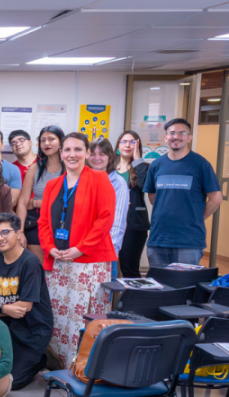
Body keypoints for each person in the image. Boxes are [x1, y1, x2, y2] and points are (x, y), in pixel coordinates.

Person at [38, 132, 116, 368]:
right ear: (61, 154)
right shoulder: (52, 185)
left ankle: (85, 368)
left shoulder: (99, 179)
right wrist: (49, 248)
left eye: (78, 149)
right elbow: (43, 222)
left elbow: (105, 219)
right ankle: (62, 366)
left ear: (87, 153)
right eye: (67, 150)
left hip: (88, 263)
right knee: (59, 319)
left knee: (83, 318)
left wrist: (80, 249)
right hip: (58, 262)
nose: (72, 154)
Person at [0, 214, 53, 389]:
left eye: (5, 232)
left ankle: (39, 360)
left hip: (33, 330)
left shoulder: (30, 262)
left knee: (10, 383)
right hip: (6, 326)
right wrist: (4, 309)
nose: (0, 238)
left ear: (19, 234)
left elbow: (24, 307)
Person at [143, 118, 221, 268]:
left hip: (188, 241)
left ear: (189, 138)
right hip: (158, 239)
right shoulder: (156, 165)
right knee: (159, 288)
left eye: (182, 133)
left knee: (184, 288)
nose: (176, 137)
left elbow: (216, 199)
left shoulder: (201, 164)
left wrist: (198, 217)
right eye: (172, 133)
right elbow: (153, 197)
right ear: (166, 137)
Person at [16, 126, 64, 264]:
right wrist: (20, 232)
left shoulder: (69, 167)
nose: (47, 143)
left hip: (62, 222)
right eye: (43, 140)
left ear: (61, 141)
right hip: (37, 221)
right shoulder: (35, 168)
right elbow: (23, 202)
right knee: (39, 268)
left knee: (59, 268)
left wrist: (37, 202)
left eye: (51, 139)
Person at [88, 137, 129, 271]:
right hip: (82, 250)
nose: (96, 158)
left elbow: (117, 222)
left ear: (110, 156)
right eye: (92, 154)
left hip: (105, 252)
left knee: (103, 291)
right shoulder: (82, 180)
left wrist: (109, 251)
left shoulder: (118, 182)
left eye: (102, 154)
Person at [115, 130, 151, 278]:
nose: (128, 145)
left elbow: (145, 186)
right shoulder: (109, 167)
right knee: (108, 268)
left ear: (138, 146)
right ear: (118, 145)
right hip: (111, 224)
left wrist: (137, 160)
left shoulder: (143, 167)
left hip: (133, 225)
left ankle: (134, 300)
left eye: (132, 142)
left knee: (129, 269)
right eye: (124, 141)